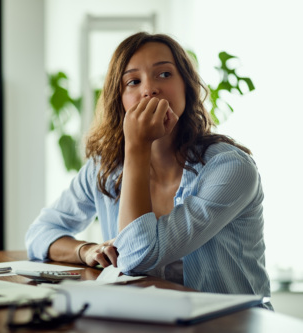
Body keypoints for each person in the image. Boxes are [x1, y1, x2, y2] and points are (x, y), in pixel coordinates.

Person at [25, 32, 272, 308]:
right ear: (119, 100)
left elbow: (137, 257)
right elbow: (40, 233)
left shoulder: (230, 169)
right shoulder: (104, 167)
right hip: (150, 319)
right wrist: (85, 251)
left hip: (231, 324)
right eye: (133, 81)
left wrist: (137, 146)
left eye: (164, 74)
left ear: (187, 87)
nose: (149, 89)